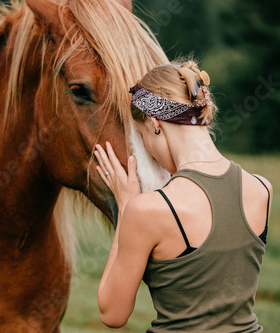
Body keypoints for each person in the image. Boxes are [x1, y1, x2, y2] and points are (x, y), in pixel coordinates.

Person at [94, 60, 273, 332]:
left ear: (155, 123)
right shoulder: (262, 189)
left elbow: (112, 313)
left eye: (142, 136)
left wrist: (125, 206)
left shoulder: (147, 210)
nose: (148, 151)